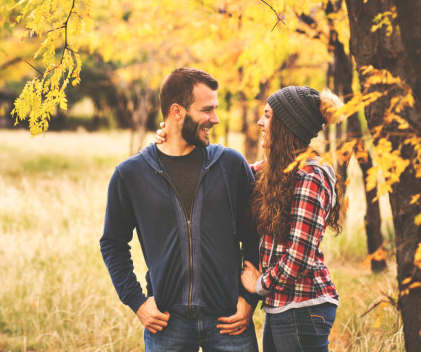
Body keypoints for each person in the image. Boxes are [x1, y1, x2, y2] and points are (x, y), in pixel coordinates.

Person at [100, 67, 260, 351]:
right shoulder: (131, 174)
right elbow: (113, 244)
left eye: (216, 109)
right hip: (166, 324)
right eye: (207, 110)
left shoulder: (231, 165)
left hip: (230, 321)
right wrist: (137, 303)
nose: (216, 118)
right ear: (177, 111)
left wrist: (249, 300)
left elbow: (255, 235)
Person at [240, 86, 343, 352]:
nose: (261, 122)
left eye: (267, 116)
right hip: (284, 305)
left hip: (303, 307)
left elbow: (299, 257)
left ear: (286, 125)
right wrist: (174, 139)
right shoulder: (279, 169)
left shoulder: (311, 176)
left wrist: (259, 284)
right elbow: (234, 172)